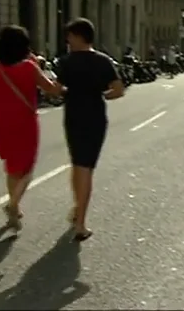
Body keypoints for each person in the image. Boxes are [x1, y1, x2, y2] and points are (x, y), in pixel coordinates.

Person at [56, 18, 125, 241]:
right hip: (95, 116)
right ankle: (80, 223)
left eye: (70, 36)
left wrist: (69, 92)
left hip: (73, 116)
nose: (67, 40)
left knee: (78, 165)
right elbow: (118, 90)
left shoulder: (66, 62)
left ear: (78, 36)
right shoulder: (103, 61)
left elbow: (57, 90)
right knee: (86, 167)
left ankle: (78, 211)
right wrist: (102, 94)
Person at [0, 25, 63, 230]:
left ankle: (15, 208)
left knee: (12, 166)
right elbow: (51, 90)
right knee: (27, 167)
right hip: (24, 119)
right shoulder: (30, 67)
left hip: (1, 119)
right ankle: (12, 205)